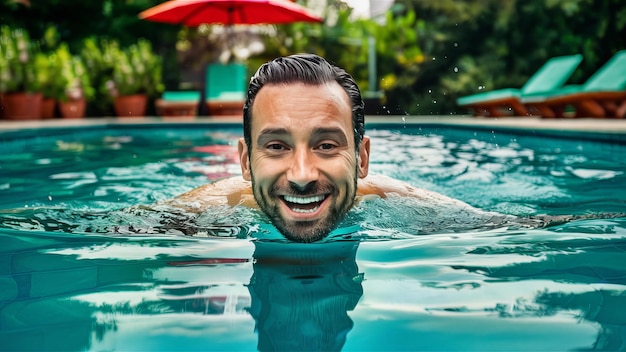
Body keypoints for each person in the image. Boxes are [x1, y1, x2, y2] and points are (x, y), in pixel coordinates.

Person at [166, 54, 549, 242]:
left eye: (327, 145)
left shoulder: (394, 198)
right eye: (278, 146)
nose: (301, 175)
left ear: (362, 158)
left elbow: (507, 226)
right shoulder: (213, 204)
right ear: (246, 163)